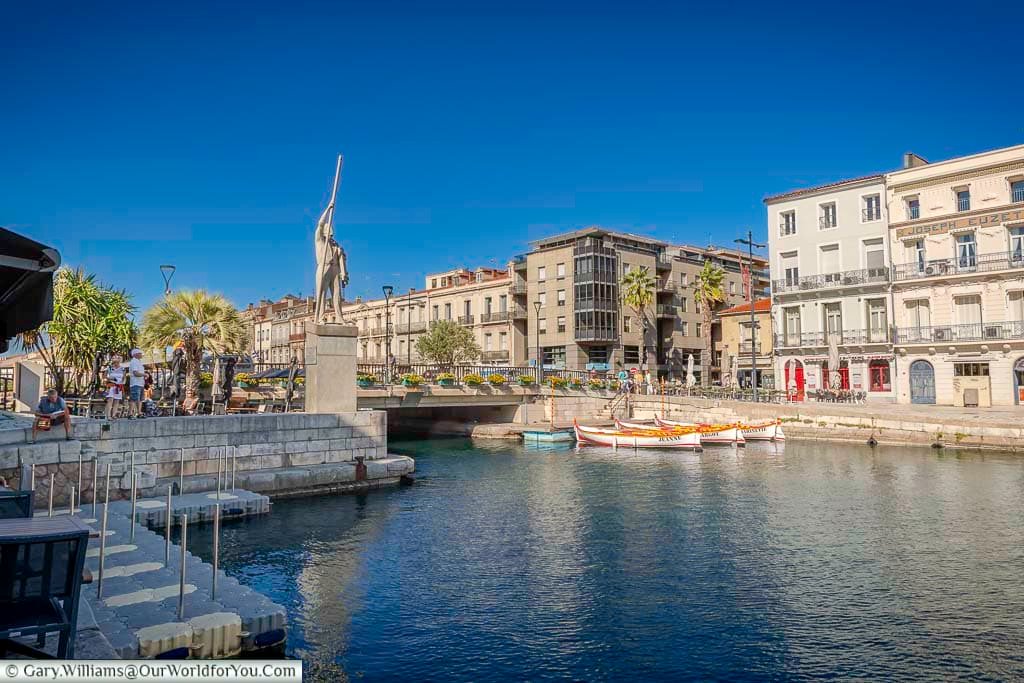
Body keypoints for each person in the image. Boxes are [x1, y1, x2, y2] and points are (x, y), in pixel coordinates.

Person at [104, 354, 126, 420]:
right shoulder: (109, 368)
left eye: (118, 360)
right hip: (111, 386)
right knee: (110, 400)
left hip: (119, 386)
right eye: (115, 360)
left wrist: (122, 383)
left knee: (117, 401)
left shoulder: (123, 369)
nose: (116, 362)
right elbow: (104, 377)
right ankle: (108, 415)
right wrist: (110, 379)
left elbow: (124, 378)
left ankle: (113, 415)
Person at [127, 348, 146, 418]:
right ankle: (132, 413)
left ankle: (138, 412)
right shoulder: (134, 362)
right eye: (140, 353)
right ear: (135, 354)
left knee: (140, 399)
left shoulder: (139, 362)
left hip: (140, 383)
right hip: (135, 383)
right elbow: (135, 373)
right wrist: (144, 375)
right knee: (134, 398)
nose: (141, 355)